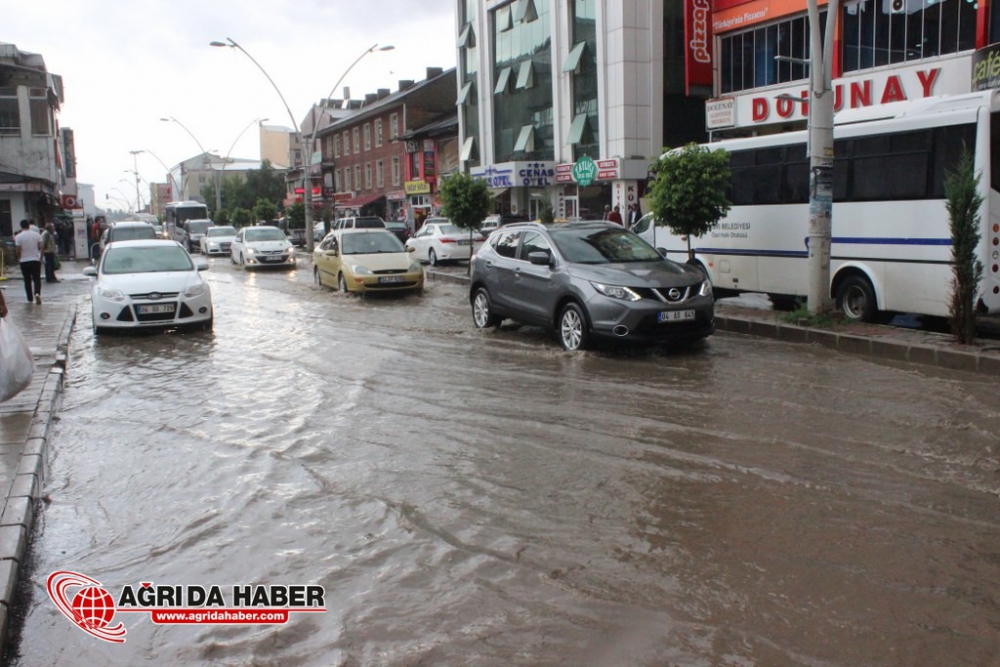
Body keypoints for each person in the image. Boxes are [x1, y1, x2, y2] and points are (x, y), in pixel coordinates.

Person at [14, 219, 43, 304]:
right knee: (37, 278)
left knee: (27, 279)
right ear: (29, 225)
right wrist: (40, 258)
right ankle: (37, 293)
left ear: (21, 226)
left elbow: (18, 250)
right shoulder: (36, 235)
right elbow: (41, 247)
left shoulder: (18, 237)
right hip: (35, 259)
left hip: (24, 261)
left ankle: (29, 298)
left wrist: (19, 258)